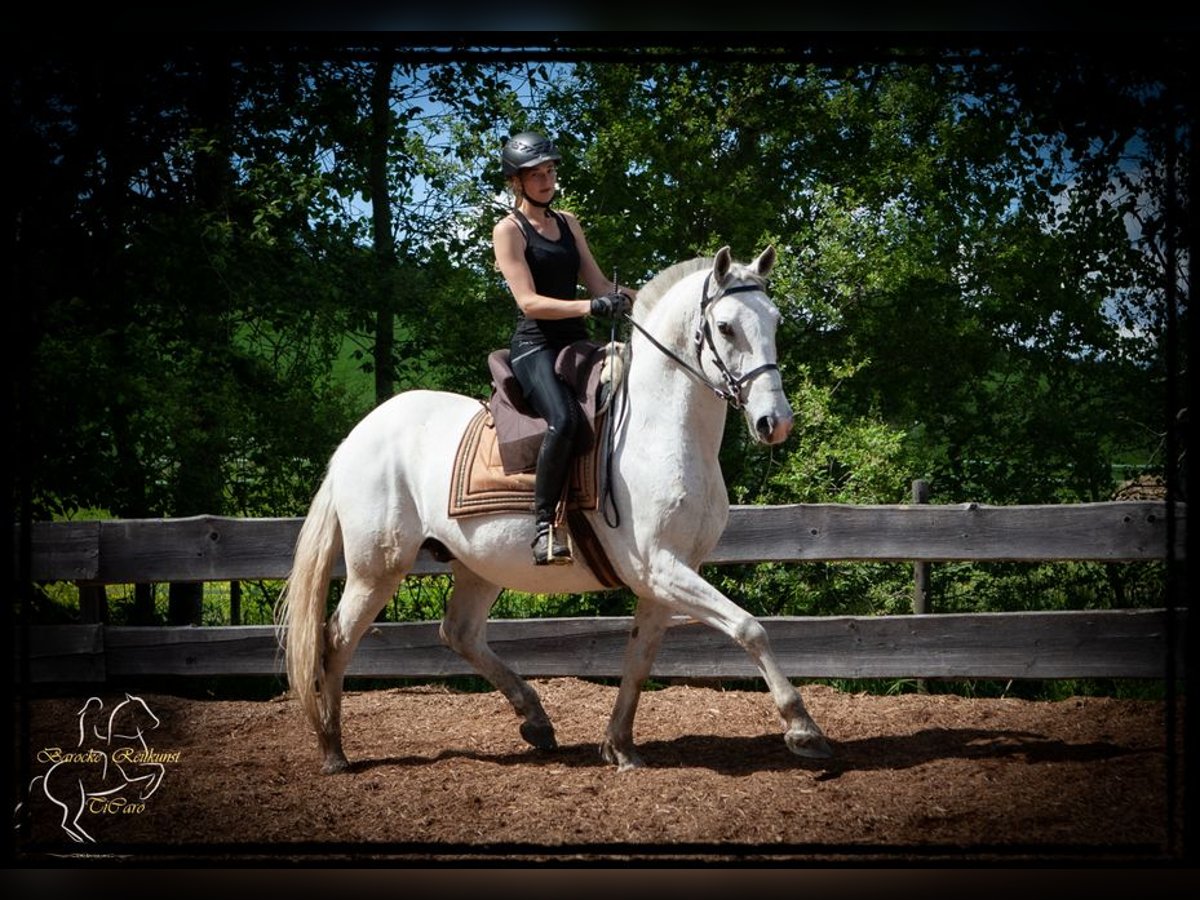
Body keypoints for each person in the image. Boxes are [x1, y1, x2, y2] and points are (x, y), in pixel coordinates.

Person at [492, 130, 635, 566]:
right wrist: (591, 305)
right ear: (516, 182)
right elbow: (528, 302)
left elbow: (596, 282)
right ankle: (543, 528)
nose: (547, 180)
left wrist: (649, 299)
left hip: (575, 342)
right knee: (564, 419)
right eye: (536, 175)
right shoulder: (508, 230)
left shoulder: (569, 222)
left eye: (550, 171)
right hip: (535, 346)